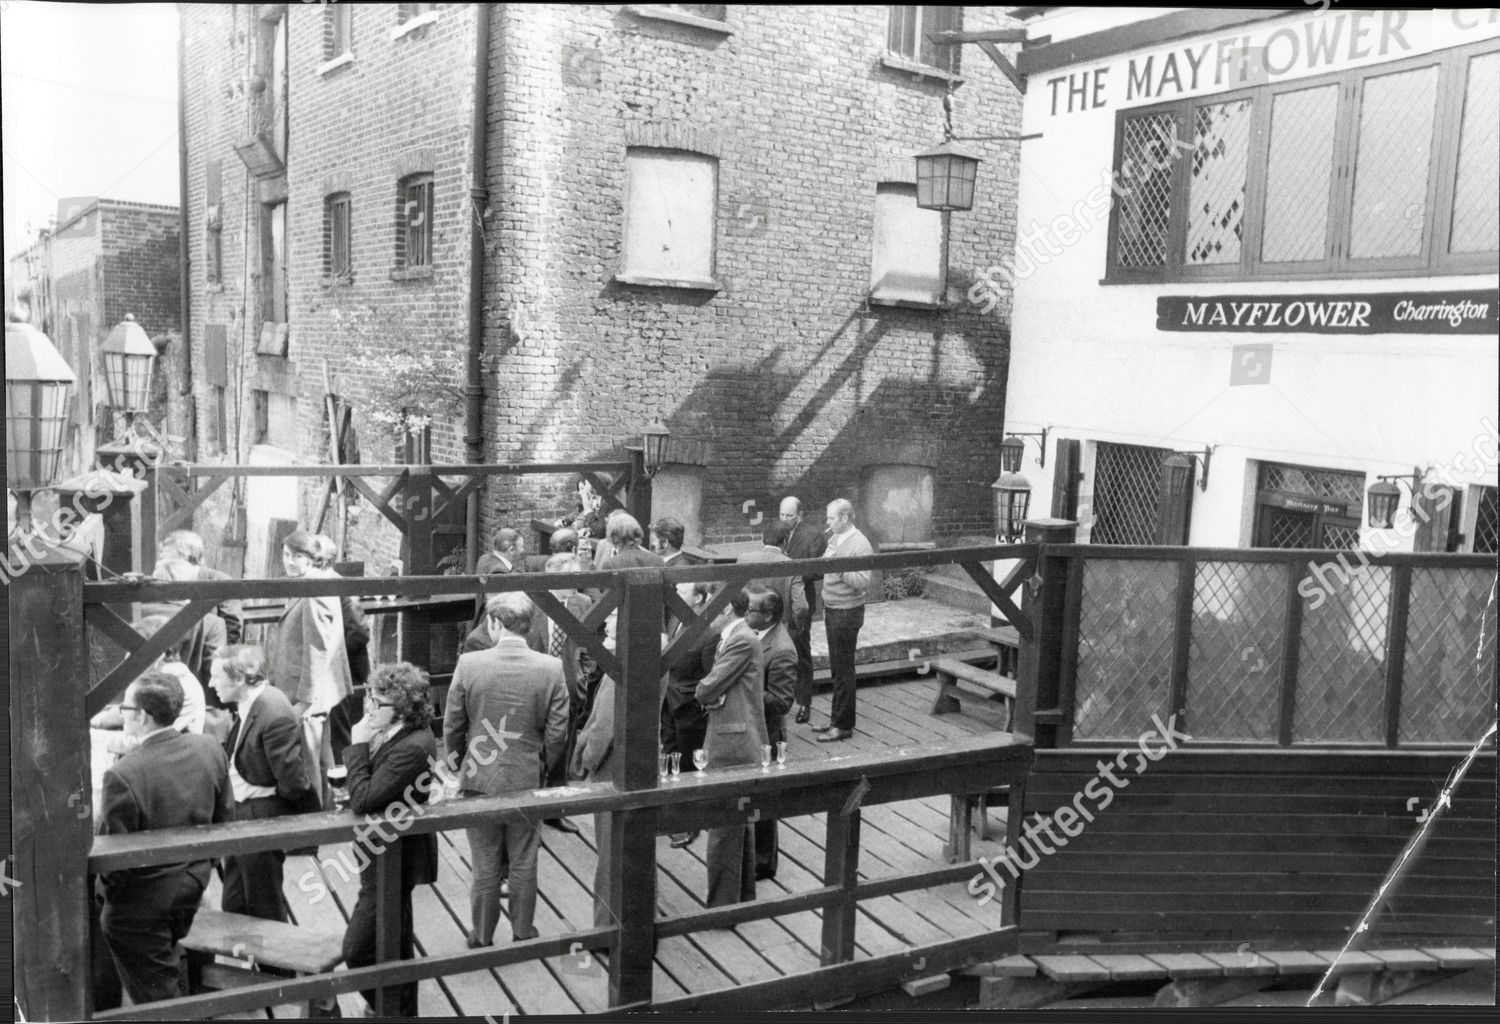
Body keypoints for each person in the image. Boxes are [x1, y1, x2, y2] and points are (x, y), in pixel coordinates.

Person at [96, 671, 231, 1006]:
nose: (122, 713)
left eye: (126, 708)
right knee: (165, 965)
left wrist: (107, 897)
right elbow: (225, 820)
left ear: (142, 716)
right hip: (193, 883)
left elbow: (112, 865)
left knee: (156, 998)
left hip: (140, 908)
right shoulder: (209, 748)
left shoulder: (122, 775)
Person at [443, 593, 570, 946]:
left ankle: (482, 935)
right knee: (524, 859)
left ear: (495, 623)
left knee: (484, 863)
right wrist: (543, 766)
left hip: (479, 778)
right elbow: (558, 733)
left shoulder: (469, 664)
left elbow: (453, 725)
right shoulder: (551, 668)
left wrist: (458, 764)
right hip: (526, 777)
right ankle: (523, 931)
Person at [341, 662, 440, 1019]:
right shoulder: (398, 732)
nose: (369, 708)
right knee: (396, 943)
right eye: (369, 697)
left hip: (393, 858)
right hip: (386, 854)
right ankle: (398, 1011)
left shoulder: (412, 746)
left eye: (377, 702)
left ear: (402, 708)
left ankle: (387, 1006)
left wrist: (357, 747)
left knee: (357, 950)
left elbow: (364, 799)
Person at [213, 645, 319, 922]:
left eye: (216, 676)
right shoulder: (252, 702)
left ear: (239, 679)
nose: (211, 683)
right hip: (240, 812)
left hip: (258, 814)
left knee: (264, 907)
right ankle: (242, 950)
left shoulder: (272, 712)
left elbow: (293, 782)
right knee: (234, 904)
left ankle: (275, 954)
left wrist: (266, 803)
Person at [695, 587, 769, 906]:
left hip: (733, 741)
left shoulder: (740, 639)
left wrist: (707, 692)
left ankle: (722, 906)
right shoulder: (738, 636)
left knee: (724, 828)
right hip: (736, 737)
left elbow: (707, 688)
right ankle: (739, 897)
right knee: (737, 825)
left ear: (726, 608)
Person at [268, 529, 355, 801]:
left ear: (311, 558)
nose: (289, 561)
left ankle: (315, 814)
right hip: (313, 689)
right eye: (286, 554)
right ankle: (329, 805)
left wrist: (306, 701)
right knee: (320, 754)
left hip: (306, 692)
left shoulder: (313, 590)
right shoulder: (311, 583)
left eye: (297, 556)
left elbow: (318, 649)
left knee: (308, 760)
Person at [660, 581, 725, 849]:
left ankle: (690, 823)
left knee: (689, 764)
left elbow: (710, 676)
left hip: (690, 710)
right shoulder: (675, 617)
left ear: (699, 598)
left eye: (684, 591)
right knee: (669, 757)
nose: (677, 594)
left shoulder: (710, 633)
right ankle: (669, 815)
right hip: (668, 701)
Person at [90, 614, 207, 739]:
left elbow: (143, 742)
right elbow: (124, 711)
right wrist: (96, 721)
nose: (127, 658)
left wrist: (91, 735)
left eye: (134, 652)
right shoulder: (154, 678)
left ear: (158, 656)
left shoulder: (180, 686)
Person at [747, 587, 796, 881]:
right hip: (753, 727)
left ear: (767, 616)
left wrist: (747, 684)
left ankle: (764, 863)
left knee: (764, 798)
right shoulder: (755, 634)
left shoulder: (782, 650)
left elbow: (781, 701)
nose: (745, 614)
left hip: (769, 734)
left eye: (750, 610)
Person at [817, 498, 874, 742]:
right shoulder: (835, 538)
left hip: (847, 612)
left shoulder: (860, 544)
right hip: (832, 608)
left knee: (843, 669)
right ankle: (836, 720)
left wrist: (837, 566)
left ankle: (842, 726)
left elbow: (863, 581)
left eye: (831, 518)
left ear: (844, 518)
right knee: (837, 668)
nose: (828, 522)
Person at [568, 648, 617, 929]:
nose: (606, 627)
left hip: (611, 770)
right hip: (631, 765)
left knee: (610, 855)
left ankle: (606, 928)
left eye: (612, 625)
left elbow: (605, 726)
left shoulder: (620, 670)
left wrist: (586, 760)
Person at [141, 557, 228, 693]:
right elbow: (214, 671)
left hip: (138, 696)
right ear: (192, 585)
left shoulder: (135, 614)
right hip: (189, 697)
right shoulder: (212, 623)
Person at [778, 496, 826, 724]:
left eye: (789, 515)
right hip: (778, 601)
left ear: (800, 515)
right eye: (782, 514)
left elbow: (819, 569)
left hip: (801, 602)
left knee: (801, 652)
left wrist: (792, 574)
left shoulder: (813, 535)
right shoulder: (776, 532)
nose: (785, 519)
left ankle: (805, 702)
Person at [160, 528, 244, 644]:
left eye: (166, 551)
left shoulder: (221, 581)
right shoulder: (165, 578)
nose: (162, 556)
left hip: (209, 649)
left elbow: (232, 629)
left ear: (184, 554)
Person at [737, 520, 809, 629]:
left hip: (748, 626)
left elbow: (735, 595)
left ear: (764, 539)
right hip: (779, 628)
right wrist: (796, 627)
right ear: (785, 541)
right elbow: (801, 607)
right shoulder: (792, 566)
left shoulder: (744, 559)